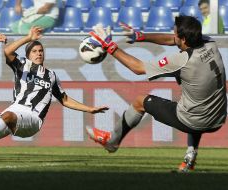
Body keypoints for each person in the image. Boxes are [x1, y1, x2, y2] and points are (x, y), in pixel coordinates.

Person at [86, 16, 227, 172]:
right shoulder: (210, 43)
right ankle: (190, 157)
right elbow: (172, 40)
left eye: (175, 34)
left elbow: (138, 68)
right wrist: (141, 36)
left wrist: (109, 46)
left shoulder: (181, 60)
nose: (172, 37)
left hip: (193, 120)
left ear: (184, 39)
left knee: (141, 101)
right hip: (218, 118)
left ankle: (112, 141)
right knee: (196, 102)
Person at [0, 26, 109, 162]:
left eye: (41, 51)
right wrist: (28, 38)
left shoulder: (51, 76)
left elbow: (65, 100)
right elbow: (7, 51)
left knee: (7, 117)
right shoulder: (21, 65)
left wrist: (90, 109)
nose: (38, 54)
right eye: (34, 51)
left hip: (33, 117)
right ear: (28, 55)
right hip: (15, 109)